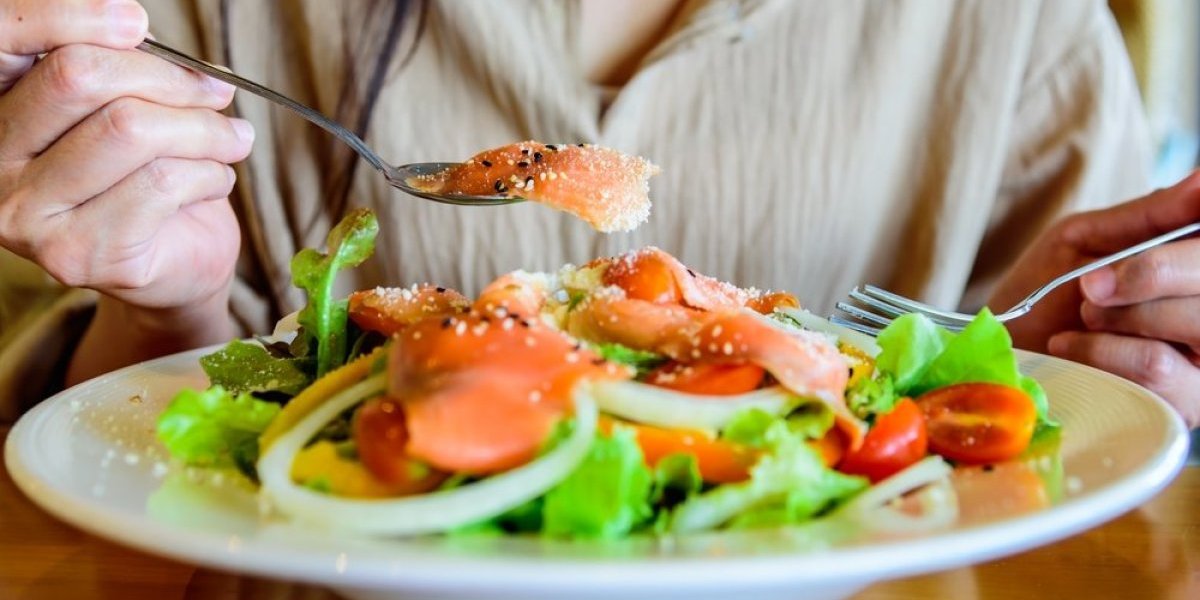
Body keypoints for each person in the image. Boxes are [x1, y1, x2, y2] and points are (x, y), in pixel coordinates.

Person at [0, 0, 1195, 428]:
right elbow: (135, 467)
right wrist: (166, 307)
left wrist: (1080, 366)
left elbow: (1074, 427)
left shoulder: (1020, 22)